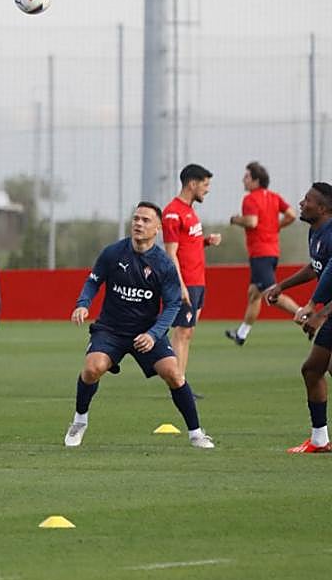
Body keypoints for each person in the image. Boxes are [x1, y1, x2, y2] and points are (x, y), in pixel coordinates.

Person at [64, 201, 215, 450]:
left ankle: (196, 433)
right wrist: (83, 303)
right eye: (136, 219)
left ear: (157, 228)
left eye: (145, 220)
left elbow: (172, 305)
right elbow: (93, 281)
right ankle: (80, 421)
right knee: (92, 369)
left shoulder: (164, 264)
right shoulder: (113, 253)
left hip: (146, 332)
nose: (138, 224)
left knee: (174, 374)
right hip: (110, 330)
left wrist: (154, 334)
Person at [261, 183, 332, 453]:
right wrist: (282, 286)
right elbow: (317, 267)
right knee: (313, 370)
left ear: (323, 208)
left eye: (307, 200)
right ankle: (319, 440)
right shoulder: (317, 233)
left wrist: (317, 311)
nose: (301, 203)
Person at [226, 161, 299, 345]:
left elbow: (251, 222)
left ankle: (307, 316)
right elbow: (291, 214)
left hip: (260, 252)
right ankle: (242, 334)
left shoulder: (250, 199)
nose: (244, 180)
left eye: (247, 177)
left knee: (272, 295)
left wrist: (235, 220)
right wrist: (276, 227)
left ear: (256, 180)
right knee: (254, 293)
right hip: (272, 251)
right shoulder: (274, 197)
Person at [162, 163, 220, 384]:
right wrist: (181, 285)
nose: (207, 189)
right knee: (181, 332)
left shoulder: (189, 211)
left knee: (188, 333)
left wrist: (206, 242)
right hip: (185, 281)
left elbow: (187, 245)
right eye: (205, 185)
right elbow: (171, 254)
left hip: (198, 281)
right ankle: (177, 383)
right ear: (192, 184)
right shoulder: (172, 213)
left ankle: (180, 380)